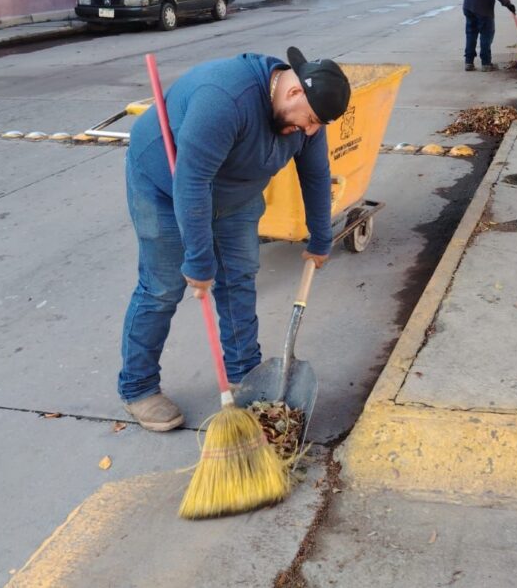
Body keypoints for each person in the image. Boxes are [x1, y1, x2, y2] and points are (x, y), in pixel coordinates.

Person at [118, 46, 351, 431]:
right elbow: (191, 183)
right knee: (162, 288)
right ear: (293, 93)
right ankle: (138, 387)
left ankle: (244, 375)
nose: (310, 131)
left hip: (238, 192)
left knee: (239, 279)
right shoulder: (225, 99)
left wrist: (321, 237)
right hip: (165, 183)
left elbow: (315, 173)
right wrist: (198, 259)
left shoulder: (308, 120)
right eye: (308, 121)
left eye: (316, 126)